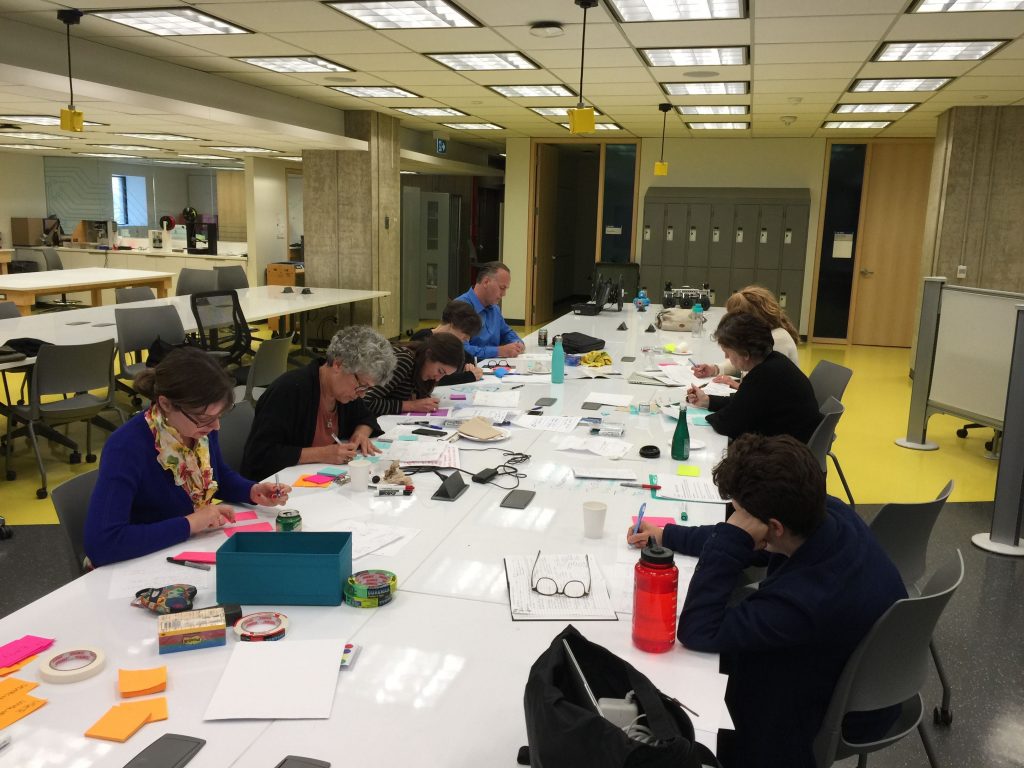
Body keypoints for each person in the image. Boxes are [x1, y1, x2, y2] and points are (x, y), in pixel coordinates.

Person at [627, 434, 906, 768]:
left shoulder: (806, 601)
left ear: (773, 527)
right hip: (852, 663)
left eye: (742, 516)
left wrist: (731, 539)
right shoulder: (823, 512)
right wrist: (667, 534)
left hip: (830, 709)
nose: (737, 523)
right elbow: (740, 535)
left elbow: (698, 629)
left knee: (687, 683)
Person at [84, 348, 291, 568]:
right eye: (205, 418)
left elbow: (217, 475)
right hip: (137, 563)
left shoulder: (199, 429)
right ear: (165, 404)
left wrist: (251, 491)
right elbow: (102, 543)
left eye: (219, 416)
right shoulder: (126, 447)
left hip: (186, 548)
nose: (216, 426)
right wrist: (190, 524)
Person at [241, 326, 397, 481]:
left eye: (368, 389)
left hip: (319, 484)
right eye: (362, 385)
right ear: (338, 365)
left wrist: (361, 434)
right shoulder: (290, 391)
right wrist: (322, 454)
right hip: (275, 490)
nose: (362, 394)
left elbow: (366, 417)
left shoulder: (344, 394)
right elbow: (260, 454)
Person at [685, 311, 821, 443]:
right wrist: (708, 401)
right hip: (794, 444)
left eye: (727, 352)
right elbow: (743, 402)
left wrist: (709, 418)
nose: (726, 357)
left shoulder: (764, 376)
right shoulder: (775, 361)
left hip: (783, 456)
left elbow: (729, 424)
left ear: (744, 353)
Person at [692, 286, 799, 389]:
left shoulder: (776, 341)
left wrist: (737, 385)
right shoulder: (765, 335)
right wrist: (715, 369)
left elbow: (768, 389)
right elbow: (743, 361)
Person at [363, 332, 467, 416]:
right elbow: (364, 402)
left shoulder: (421, 371)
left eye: (444, 375)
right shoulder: (404, 361)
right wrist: (411, 405)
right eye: (440, 371)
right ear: (428, 354)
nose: (437, 379)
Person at [454, 261, 525, 360]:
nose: (504, 294)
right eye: (502, 288)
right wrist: (498, 351)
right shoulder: (460, 307)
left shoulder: (494, 308)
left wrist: (517, 343)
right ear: (486, 282)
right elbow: (461, 350)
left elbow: (506, 332)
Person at [409, 299, 484, 385]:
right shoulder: (423, 339)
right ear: (452, 325)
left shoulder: (449, 345)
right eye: (464, 335)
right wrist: (469, 376)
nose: (466, 340)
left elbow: (467, 358)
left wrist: (469, 367)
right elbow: (431, 376)